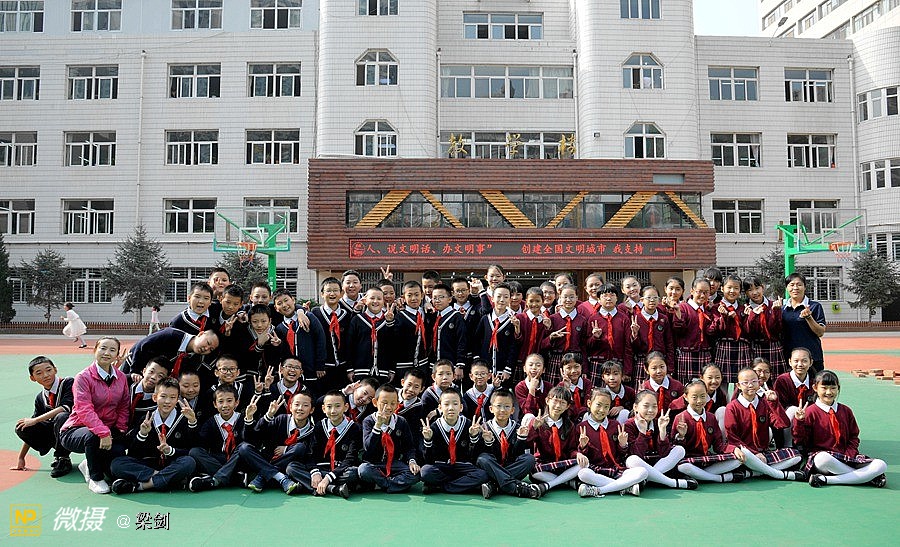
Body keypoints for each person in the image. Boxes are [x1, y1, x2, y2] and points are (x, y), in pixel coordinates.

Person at [60, 337, 130, 494]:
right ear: (95, 350)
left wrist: (120, 428)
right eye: (103, 348)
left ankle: (89, 464)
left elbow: (124, 405)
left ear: (117, 355)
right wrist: (103, 432)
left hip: (108, 430)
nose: (107, 353)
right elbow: (84, 409)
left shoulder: (121, 378)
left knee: (117, 460)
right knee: (93, 437)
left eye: (112, 350)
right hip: (77, 429)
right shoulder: (83, 377)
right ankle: (95, 478)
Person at [794, 370, 887, 488]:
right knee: (822, 459)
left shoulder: (846, 410)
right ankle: (868, 478)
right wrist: (799, 422)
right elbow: (800, 441)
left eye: (833, 388)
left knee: (881, 465)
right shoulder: (810, 412)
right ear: (815, 388)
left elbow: (854, 436)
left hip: (846, 456)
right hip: (825, 459)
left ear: (838, 388)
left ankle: (826, 480)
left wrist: (850, 453)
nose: (829, 392)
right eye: (824, 388)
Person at [109, 378, 198, 494]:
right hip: (150, 467)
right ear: (155, 397)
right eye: (163, 396)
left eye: (172, 397)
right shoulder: (146, 419)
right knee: (117, 464)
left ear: (177, 400)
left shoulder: (184, 418)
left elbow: (192, 449)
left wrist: (171, 450)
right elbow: (134, 453)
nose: (167, 401)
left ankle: (141, 486)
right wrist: (142, 434)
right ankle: (170, 479)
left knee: (189, 462)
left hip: (173, 463)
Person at [724, 368, 805, 482]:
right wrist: (754, 453)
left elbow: (783, 424)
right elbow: (732, 438)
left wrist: (774, 403)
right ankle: (779, 474)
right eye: (745, 382)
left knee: (796, 455)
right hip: (745, 452)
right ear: (738, 385)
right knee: (738, 458)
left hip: (763, 454)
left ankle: (752, 473)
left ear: (759, 383)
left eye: (754, 381)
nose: (750, 385)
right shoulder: (732, 407)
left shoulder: (765, 403)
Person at [287, 390, 360, 498]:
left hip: (340, 471)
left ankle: (311, 485)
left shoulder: (354, 428)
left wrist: (328, 478)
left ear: (346, 407)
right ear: (323, 409)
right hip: (320, 470)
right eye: (329, 407)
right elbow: (311, 454)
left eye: (337, 406)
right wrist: (315, 472)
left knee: (353, 473)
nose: (333, 411)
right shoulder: (319, 426)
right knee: (292, 468)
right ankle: (333, 489)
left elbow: (350, 459)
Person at [575, 389, 647, 497]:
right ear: (589, 403)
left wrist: (623, 445)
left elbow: (622, 454)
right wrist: (583, 447)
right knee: (583, 474)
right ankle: (626, 487)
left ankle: (599, 490)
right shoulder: (581, 427)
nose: (602, 410)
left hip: (616, 469)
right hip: (595, 470)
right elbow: (581, 456)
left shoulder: (615, 425)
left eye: (606, 406)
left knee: (643, 472)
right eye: (598, 405)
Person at [671, 380, 745, 484]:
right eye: (694, 397)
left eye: (703, 396)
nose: (699, 401)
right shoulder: (680, 418)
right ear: (686, 397)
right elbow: (675, 449)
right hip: (689, 461)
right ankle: (719, 478)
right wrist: (681, 436)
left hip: (707, 460)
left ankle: (700, 476)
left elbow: (718, 445)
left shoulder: (711, 417)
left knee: (737, 460)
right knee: (683, 467)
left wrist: (734, 449)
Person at [12, 356, 74, 477]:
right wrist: (21, 458)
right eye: (39, 373)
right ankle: (59, 456)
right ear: (32, 378)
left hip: (76, 429)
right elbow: (33, 423)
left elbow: (65, 407)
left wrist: (35, 420)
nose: (45, 375)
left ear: (55, 370)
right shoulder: (41, 398)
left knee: (62, 416)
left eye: (49, 370)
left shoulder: (68, 383)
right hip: (57, 433)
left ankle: (62, 457)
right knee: (22, 427)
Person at [476, 389, 543, 499]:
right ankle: (515, 487)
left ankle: (495, 485)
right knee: (483, 459)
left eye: (507, 406)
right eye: (498, 406)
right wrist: (488, 442)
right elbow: (479, 456)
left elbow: (517, 455)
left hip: (510, 466)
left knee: (529, 459)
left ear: (512, 410)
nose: (502, 410)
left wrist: (521, 439)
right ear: (491, 409)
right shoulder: (484, 428)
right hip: (492, 467)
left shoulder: (517, 428)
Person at [624, 390, 696, 490]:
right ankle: (672, 483)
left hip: (657, 463)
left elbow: (664, 453)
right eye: (646, 406)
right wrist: (643, 433)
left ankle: (647, 479)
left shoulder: (657, 422)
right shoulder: (629, 425)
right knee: (632, 460)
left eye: (654, 406)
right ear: (635, 407)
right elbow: (637, 454)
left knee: (680, 450)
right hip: (640, 464)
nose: (650, 410)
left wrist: (662, 430)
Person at [420, 389, 488, 494]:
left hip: (462, 467)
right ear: (440, 408)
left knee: (483, 475)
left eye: (455, 404)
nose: (451, 408)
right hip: (441, 467)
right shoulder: (433, 427)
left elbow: (474, 457)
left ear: (461, 407)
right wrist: (428, 440)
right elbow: (428, 459)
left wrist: (473, 437)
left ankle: (440, 487)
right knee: (425, 472)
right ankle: (464, 485)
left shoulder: (469, 425)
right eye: (446, 404)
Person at [357, 384, 421, 493]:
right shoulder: (369, 421)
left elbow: (409, 447)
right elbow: (368, 447)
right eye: (384, 403)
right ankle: (394, 484)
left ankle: (382, 484)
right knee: (363, 470)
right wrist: (377, 426)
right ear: (375, 402)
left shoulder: (401, 421)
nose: (389, 407)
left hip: (394, 464)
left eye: (393, 403)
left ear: (397, 404)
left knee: (416, 474)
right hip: (373, 464)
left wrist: (412, 461)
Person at [526, 386, 581, 492]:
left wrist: (578, 454)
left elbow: (571, 449)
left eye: (563, 403)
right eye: (555, 401)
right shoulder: (538, 422)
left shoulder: (569, 425)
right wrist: (533, 428)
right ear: (547, 400)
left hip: (563, 464)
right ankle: (569, 482)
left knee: (583, 464)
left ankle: (549, 485)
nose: (558, 406)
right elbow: (527, 444)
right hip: (544, 465)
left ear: (567, 406)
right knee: (534, 471)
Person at [274, 289, 327, 394]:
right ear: (276, 308)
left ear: (293, 300)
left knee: (311, 396)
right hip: (291, 374)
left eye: (286, 300)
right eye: (279, 303)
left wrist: (320, 365)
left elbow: (320, 339)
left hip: (311, 370)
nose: (284, 305)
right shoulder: (279, 328)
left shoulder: (308, 317)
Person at [121, 327, 220, 383]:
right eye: (208, 343)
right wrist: (134, 371)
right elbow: (142, 345)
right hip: (134, 365)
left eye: (210, 349)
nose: (206, 348)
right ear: (201, 334)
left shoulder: (193, 358)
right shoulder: (171, 335)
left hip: (153, 379)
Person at [345, 287, 396, 383]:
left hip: (382, 371)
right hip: (360, 370)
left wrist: (392, 369)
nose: (375, 301)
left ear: (383, 301)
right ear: (365, 300)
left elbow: (393, 346)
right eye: (372, 298)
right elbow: (349, 345)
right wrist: (349, 368)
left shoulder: (389, 320)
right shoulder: (357, 319)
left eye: (379, 299)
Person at [586, 283, 633, 385]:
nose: (608, 298)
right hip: (598, 363)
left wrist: (627, 370)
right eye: (604, 296)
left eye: (612, 295)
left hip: (618, 362)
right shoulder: (593, 319)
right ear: (599, 299)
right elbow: (587, 345)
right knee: (597, 393)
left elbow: (628, 345)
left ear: (617, 298)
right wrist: (595, 337)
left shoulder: (624, 319)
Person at [311, 277, 353, 391]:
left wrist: (350, 367)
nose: (332, 294)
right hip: (323, 368)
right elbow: (313, 341)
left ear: (341, 293)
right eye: (328, 291)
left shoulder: (347, 315)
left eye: (335, 290)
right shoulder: (315, 313)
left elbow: (350, 343)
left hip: (343, 367)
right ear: (322, 294)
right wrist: (319, 364)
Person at [473, 282, 519, 384]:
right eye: (498, 296)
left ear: (510, 299)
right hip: (484, 371)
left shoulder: (513, 321)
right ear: (492, 298)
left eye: (506, 297)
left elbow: (513, 346)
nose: (502, 300)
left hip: (503, 372)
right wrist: (477, 361)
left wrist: (508, 368)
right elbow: (476, 341)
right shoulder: (485, 318)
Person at [781, 272, 827, 373]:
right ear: (787, 288)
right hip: (790, 358)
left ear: (805, 287)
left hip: (812, 357)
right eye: (792, 285)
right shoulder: (782, 309)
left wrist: (809, 317)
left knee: (815, 382)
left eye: (799, 285)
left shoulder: (814, 306)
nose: (795, 288)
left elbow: (820, 332)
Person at [672, 278, 715, 381]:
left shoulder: (708, 311)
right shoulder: (682, 308)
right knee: (687, 386)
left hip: (705, 353)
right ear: (692, 291)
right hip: (687, 353)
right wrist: (678, 317)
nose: (702, 295)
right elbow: (678, 330)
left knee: (705, 385)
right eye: (699, 292)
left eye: (706, 292)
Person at [630, 285, 674, 387]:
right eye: (648, 297)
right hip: (642, 360)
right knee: (642, 391)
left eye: (655, 297)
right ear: (642, 300)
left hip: (660, 361)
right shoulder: (636, 319)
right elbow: (632, 347)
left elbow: (669, 344)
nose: (652, 300)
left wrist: (670, 369)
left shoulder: (663, 319)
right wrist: (635, 335)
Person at [774, 347, 819, 448]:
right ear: (790, 362)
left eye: (804, 361)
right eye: (796, 361)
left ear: (811, 362)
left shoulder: (815, 381)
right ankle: (788, 446)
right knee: (792, 410)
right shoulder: (782, 380)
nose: (800, 364)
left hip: (808, 417)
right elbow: (780, 407)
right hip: (788, 421)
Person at [712, 275, 751, 387]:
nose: (732, 291)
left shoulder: (744, 308)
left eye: (736, 288)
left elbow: (749, 331)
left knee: (742, 380)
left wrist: (748, 317)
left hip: (742, 348)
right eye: (729, 287)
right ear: (722, 288)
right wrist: (725, 317)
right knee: (722, 382)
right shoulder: (716, 308)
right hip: (723, 347)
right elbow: (715, 330)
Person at [545, 284, 588, 385]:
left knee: (574, 389)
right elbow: (543, 343)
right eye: (565, 297)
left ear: (577, 298)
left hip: (575, 359)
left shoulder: (582, 320)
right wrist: (551, 336)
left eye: (572, 297)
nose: (568, 300)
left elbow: (584, 346)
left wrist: (585, 368)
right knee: (555, 390)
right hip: (557, 358)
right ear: (559, 297)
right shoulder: (553, 318)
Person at [743, 276, 787, 376]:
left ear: (763, 287)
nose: (755, 292)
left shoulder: (773, 305)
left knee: (775, 377)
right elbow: (747, 332)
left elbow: (778, 329)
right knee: (757, 378)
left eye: (757, 288)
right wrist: (752, 315)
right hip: (755, 347)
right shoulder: (746, 309)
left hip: (773, 346)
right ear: (746, 293)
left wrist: (776, 311)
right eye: (750, 290)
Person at [427, 283, 468, 376]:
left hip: (451, 364)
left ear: (450, 299)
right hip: (434, 365)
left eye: (441, 297)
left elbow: (462, 341)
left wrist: (460, 364)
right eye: (434, 298)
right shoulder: (432, 316)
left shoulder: (457, 317)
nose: (437, 300)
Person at [394, 281, 431, 382]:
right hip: (403, 366)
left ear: (422, 295)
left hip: (423, 364)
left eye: (417, 295)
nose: (413, 298)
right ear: (403, 297)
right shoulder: (399, 317)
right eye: (409, 295)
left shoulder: (427, 313)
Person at [127, 357, 171, 426]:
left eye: (160, 376)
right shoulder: (126, 382)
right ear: (144, 371)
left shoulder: (159, 403)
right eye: (151, 372)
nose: (153, 377)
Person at [514, 354, 550, 426]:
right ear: (524, 369)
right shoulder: (520, 387)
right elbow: (528, 411)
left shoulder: (548, 386)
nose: (534, 368)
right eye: (530, 365)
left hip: (545, 420)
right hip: (526, 422)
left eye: (538, 365)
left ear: (543, 370)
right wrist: (532, 390)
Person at [559, 352, 592, 420]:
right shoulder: (561, 386)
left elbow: (588, 405)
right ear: (562, 371)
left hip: (585, 417)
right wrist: (567, 388)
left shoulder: (587, 383)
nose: (573, 371)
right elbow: (567, 409)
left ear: (581, 367)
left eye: (576, 367)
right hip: (568, 419)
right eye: (569, 368)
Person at [601, 360, 635, 425]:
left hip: (625, 423)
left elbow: (635, 409)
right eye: (608, 374)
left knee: (624, 413)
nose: (612, 378)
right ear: (603, 377)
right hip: (605, 423)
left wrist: (622, 408)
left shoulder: (630, 392)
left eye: (615, 374)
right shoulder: (601, 394)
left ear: (622, 376)